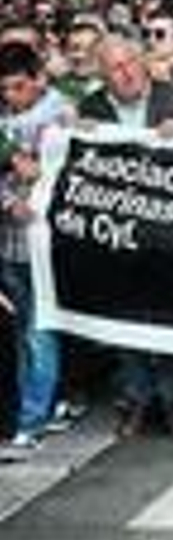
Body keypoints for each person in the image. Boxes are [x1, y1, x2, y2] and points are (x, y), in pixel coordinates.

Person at [77, 36, 173, 439]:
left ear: (144, 61)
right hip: (119, 238)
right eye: (115, 68)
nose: (127, 72)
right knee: (125, 327)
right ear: (101, 76)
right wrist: (75, 137)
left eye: (132, 61)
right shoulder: (91, 108)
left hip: (170, 235)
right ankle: (137, 400)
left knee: (167, 324)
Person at [0, 42, 78, 462]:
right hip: (10, 243)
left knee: (37, 331)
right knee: (25, 335)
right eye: (4, 89)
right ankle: (47, 403)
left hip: (46, 245)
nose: (10, 97)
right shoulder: (4, 121)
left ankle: (31, 419)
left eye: (17, 87)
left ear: (37, 80)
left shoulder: (59, 112)